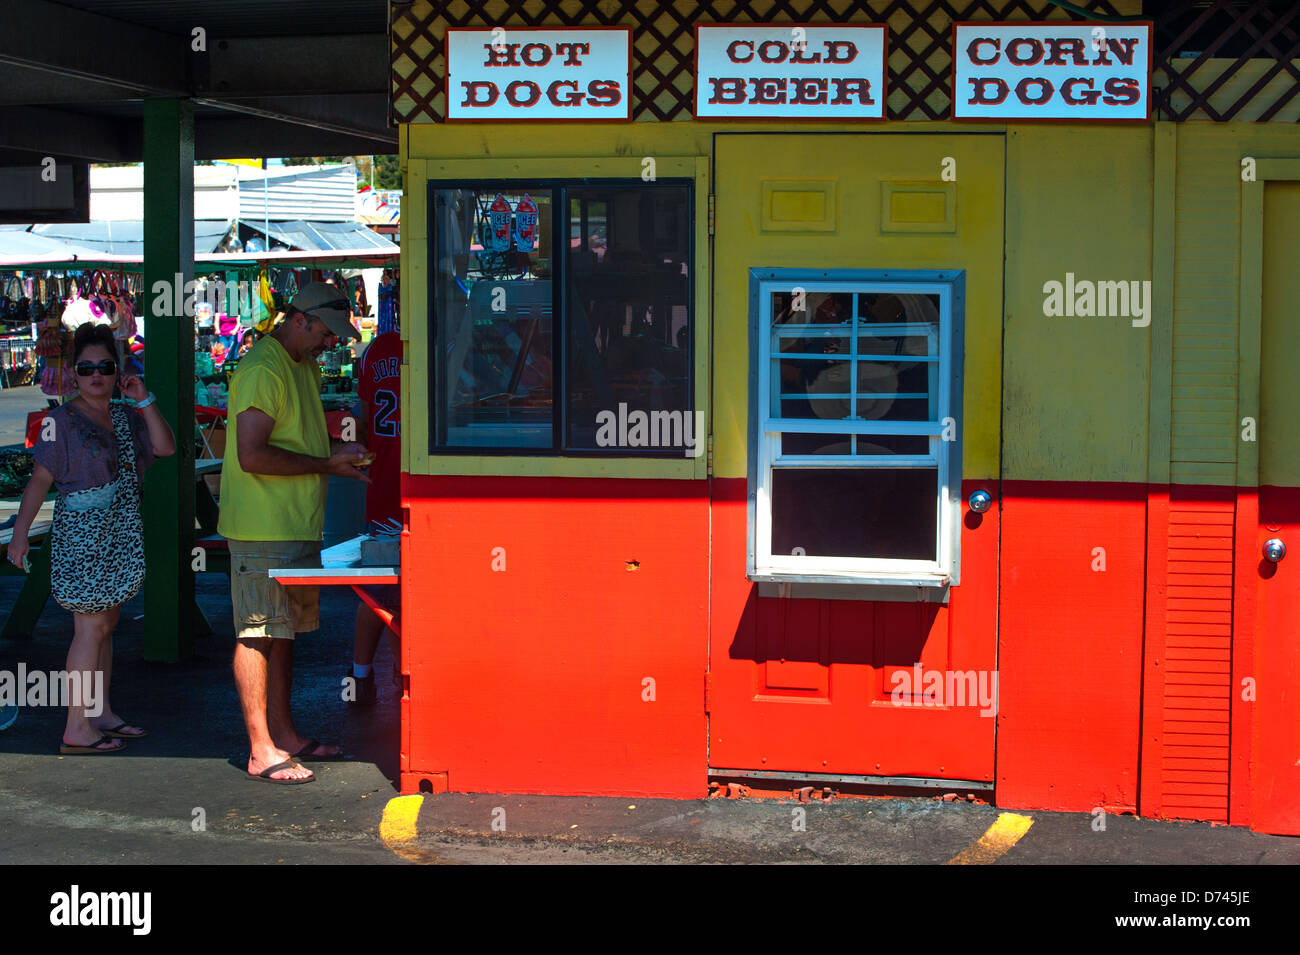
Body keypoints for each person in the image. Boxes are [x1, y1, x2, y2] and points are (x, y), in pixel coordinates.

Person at [219, 283, 371, 784]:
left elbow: (293, 437)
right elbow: (252, 455)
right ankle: (261, 748)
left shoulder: (300, 364)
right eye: (327, 333)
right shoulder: (264, 368)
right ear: (300, 319)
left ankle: (282, 735)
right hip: (262, 525)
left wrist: (334, 451)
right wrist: (329, 461)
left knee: (280, 633)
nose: (332, 343)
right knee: (258, 632)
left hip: (294, 523)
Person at [6, 323, 176, 754]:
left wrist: (146, 399)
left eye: (104, 366)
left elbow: (166, 447)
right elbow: (39, 480)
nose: (95, 375)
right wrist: (20, 535)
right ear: (74, 374)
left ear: (118, 371)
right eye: (86, 369)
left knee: (107, 624)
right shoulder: (57, 421)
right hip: (81, 532)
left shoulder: (126, 414)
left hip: (119, 528)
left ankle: (98, 712)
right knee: (90, 626)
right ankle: (76, 727)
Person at [349, 325, 401, 705]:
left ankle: (361, 676)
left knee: (377, 591)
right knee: (392, 592)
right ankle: (402, 678)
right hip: (409, 481)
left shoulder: (373, 351)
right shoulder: (443, 340)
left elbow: (362, 420)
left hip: (382, 482)